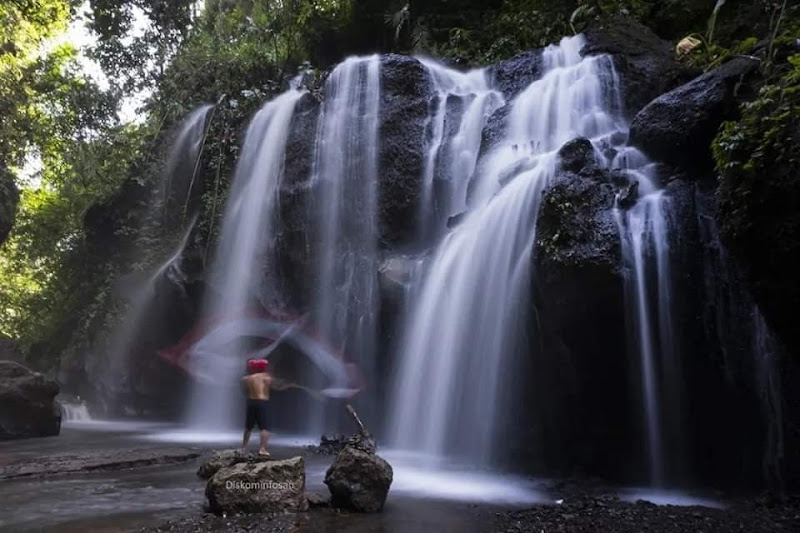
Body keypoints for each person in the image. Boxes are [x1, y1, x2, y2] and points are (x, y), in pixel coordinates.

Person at [241, 358, 281, 456]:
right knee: (264, 427)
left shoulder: (246, 379)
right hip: (262, 402)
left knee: (248, 427)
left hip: (250, 402)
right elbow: (274, 387)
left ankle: (244, 448)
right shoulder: (266, 377)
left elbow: (245, 391)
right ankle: (262, 449)